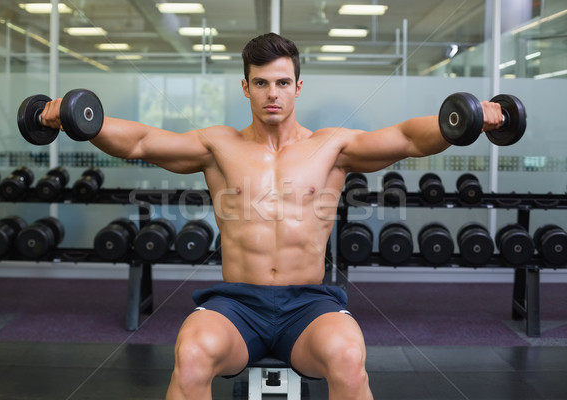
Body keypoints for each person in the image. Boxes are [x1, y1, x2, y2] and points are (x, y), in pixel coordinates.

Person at [40, 33, 503, 400]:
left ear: (298, 86)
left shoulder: (332, 146)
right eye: (260, 83)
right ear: (246, 87)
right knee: (193, 354)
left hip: (308, 305)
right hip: (236, 305)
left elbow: (407, 138)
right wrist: (85, 121)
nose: (272, 94)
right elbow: (141, 141)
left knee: (347, 356)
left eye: (282, 83)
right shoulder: (218, 146)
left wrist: (463, 120)